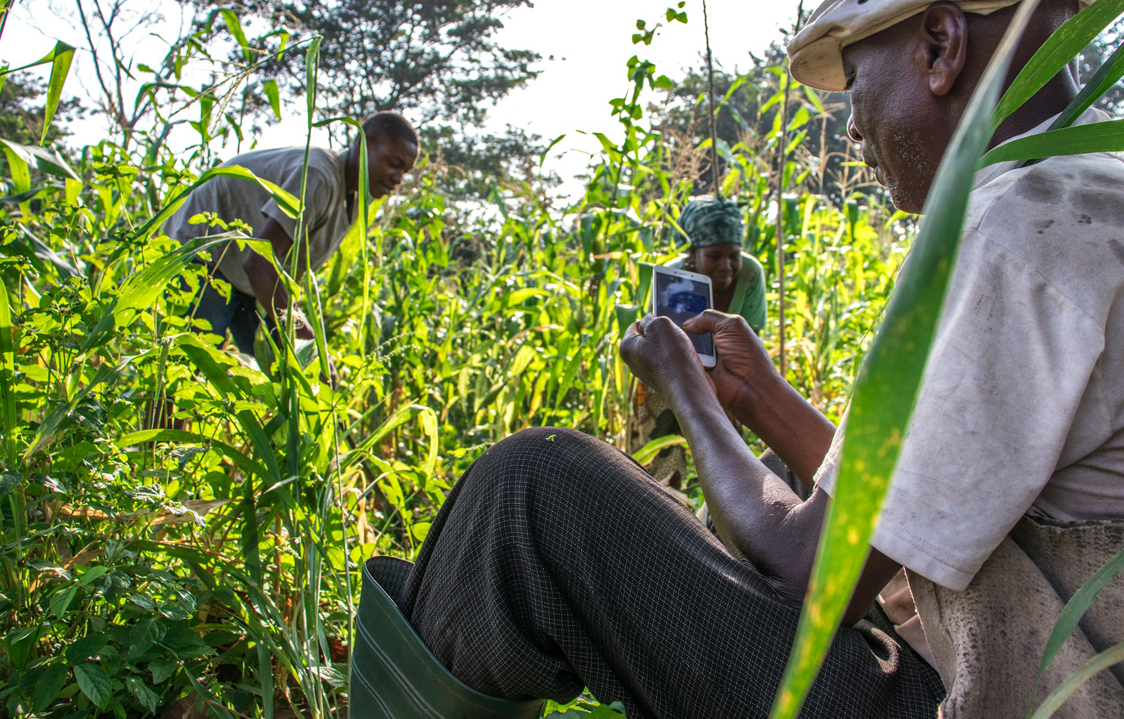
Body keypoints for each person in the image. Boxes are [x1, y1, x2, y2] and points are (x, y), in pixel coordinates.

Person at [385, 0, 1123, 717]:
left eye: (855, 81)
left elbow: (813, 572)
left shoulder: (1009, 234)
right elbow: (907, 503)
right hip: (1001, 660)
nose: (852, 126)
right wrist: (754, 395)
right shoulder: (1089, 192)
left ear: (940, 47)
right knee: (772, 479)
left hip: (972, 694)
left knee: (532, 486)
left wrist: (686, 388)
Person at [164, 112, 419, 354]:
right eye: (393, 164)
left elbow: (278, 272)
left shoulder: (353, 197)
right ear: (364, 144)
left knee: (286, 370)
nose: (398, 179)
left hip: (247, 277)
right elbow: (259, 262)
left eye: (404, 172)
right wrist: (307, 338)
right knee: (190, 364)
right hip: (205, 254)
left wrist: (306, 346)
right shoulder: (319, 175)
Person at [631, 195, 767, 490]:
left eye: (733, 256)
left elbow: (750, 341)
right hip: (667, 372)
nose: (727, 266)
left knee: (732, 462)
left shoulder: (750, 274)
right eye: (715, 256)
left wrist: (726, 397)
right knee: (661, 463)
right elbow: (657, 342)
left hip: (725, 373)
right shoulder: (671, 278)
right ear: (693, 253)